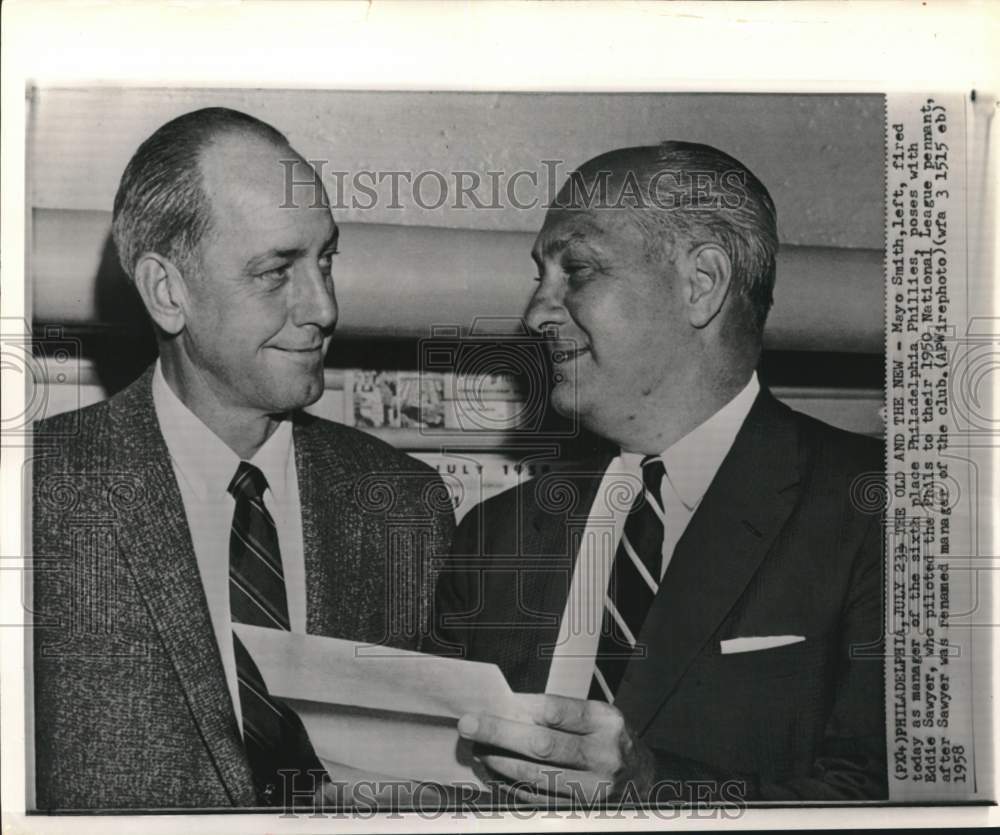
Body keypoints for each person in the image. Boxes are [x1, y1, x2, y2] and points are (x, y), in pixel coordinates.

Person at [431, 142, 886, 803]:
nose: (537, 312)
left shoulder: (879, 511)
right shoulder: (493, 536)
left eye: (576, 271)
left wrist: (646, 789)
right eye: (541, 275)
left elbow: (886, 800)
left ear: (701, 283)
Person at [31, 108, 454, 810]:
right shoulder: (36, 494)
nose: (322, 306)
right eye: (275, 272)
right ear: (169, 292)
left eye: (325, 259)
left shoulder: (404, 502)